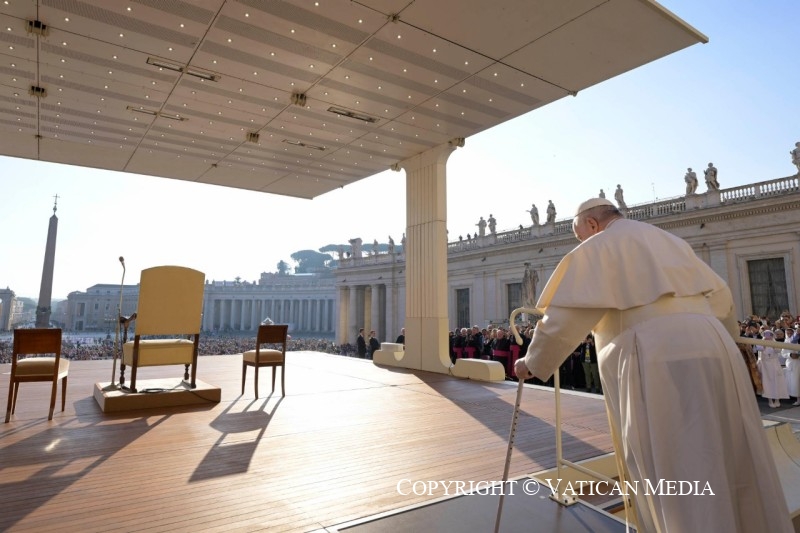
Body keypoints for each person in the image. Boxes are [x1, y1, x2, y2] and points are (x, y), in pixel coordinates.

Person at [514, 197, 792, 533]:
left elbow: (565, 317)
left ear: (591, 224)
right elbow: (722, 298)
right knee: (730, 447)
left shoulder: (600, 245)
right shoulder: (671, 241)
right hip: (715, 346)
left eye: (579, 236)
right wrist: (729, 342)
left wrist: (532, 362)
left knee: (677, 460)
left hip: (654, 353)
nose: (581, 242)